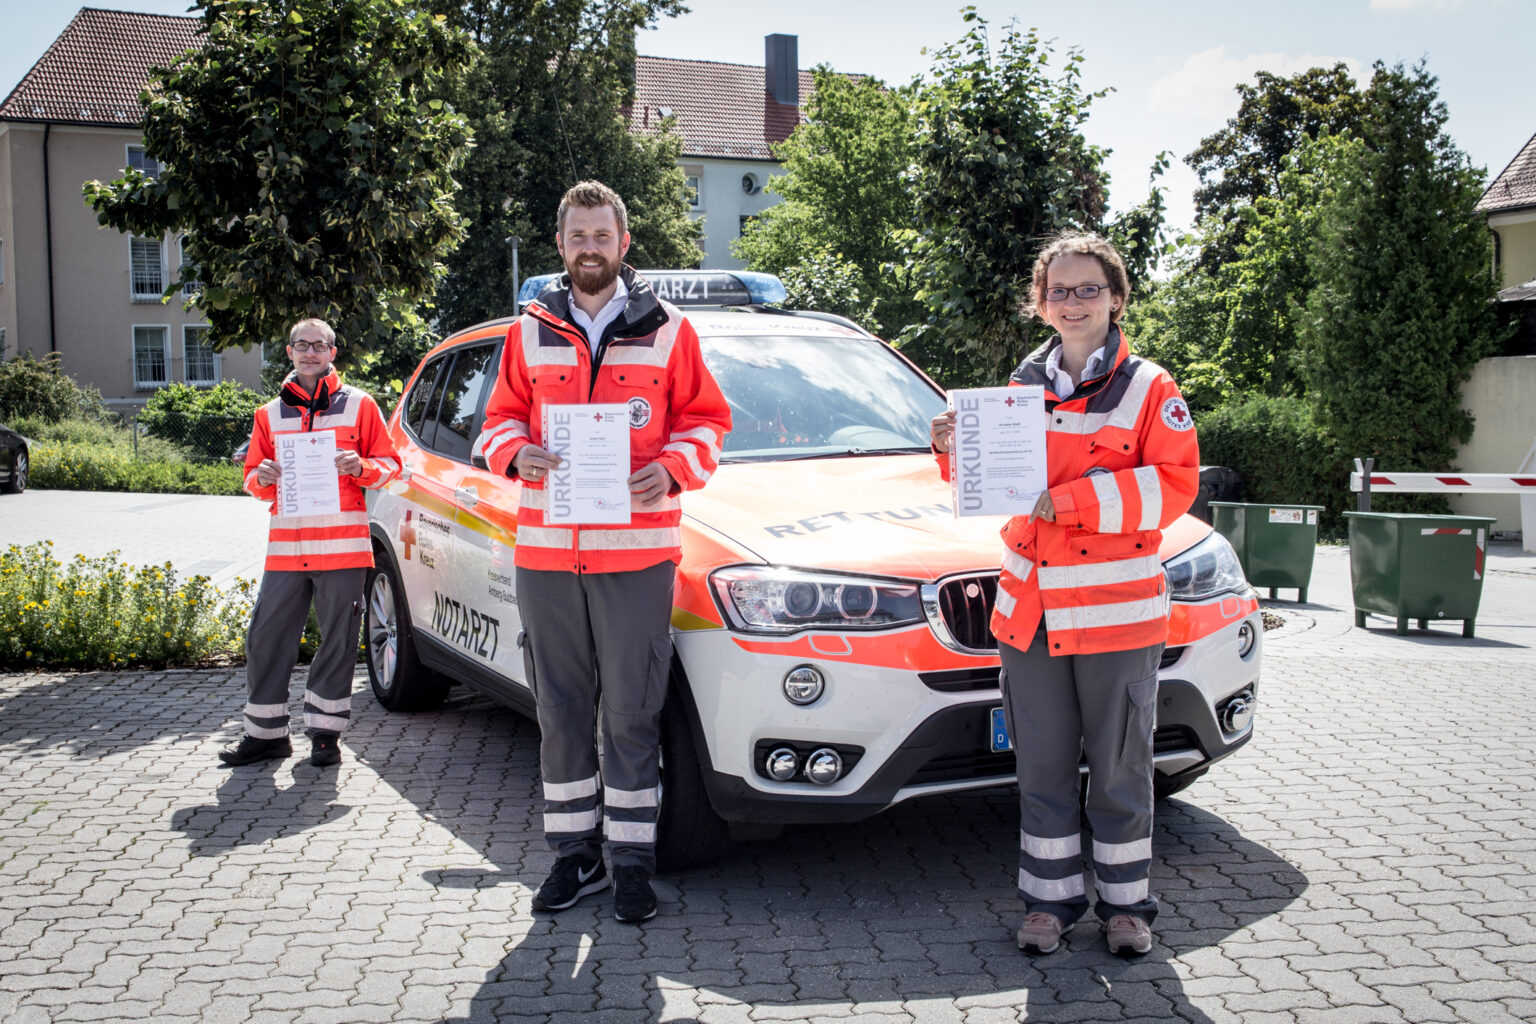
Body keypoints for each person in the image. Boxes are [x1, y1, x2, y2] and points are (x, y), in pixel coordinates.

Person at [930, 233, 1198, 957]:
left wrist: (1070, 503)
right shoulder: (1018, 388)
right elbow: (988, 495)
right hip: (1031, 613)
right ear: (1040, 304)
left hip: (1116, 617)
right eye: (1059, 290)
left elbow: (1174, 488)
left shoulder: (1151, 388)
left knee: (1118, 769)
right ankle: (1048, 905)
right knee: (1042, 766)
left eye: (1087, 289)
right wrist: (952, 449)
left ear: (1116, 298)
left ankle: (1126, 907)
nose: (1072, 302)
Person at [475, 180, 731, 923]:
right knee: (558, 711)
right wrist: (514, 453)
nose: (590, 248)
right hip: (549, 556)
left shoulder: (671, 330)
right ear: (562, 246)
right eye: (577, 236)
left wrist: (675, 465)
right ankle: (573, 857)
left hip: (638, 558)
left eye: (602, 235)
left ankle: (631, 861)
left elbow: (708, 422)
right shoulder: (527, 331)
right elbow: (496, 422)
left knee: (631, 713)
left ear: (624, 243)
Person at [218, 318, 401, 769]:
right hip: (287, 550)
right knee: (265, 638)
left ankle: (324, 734)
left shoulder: (360, 405)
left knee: (337, 641)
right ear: (289, 352)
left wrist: (360, 466)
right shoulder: (268, 414)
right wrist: (260, 478)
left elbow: (391, 466)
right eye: (302, 345)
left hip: (343, 549)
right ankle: (265, 735)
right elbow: (253, 479)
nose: (310, 352)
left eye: (319, 345)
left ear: (332, 353)